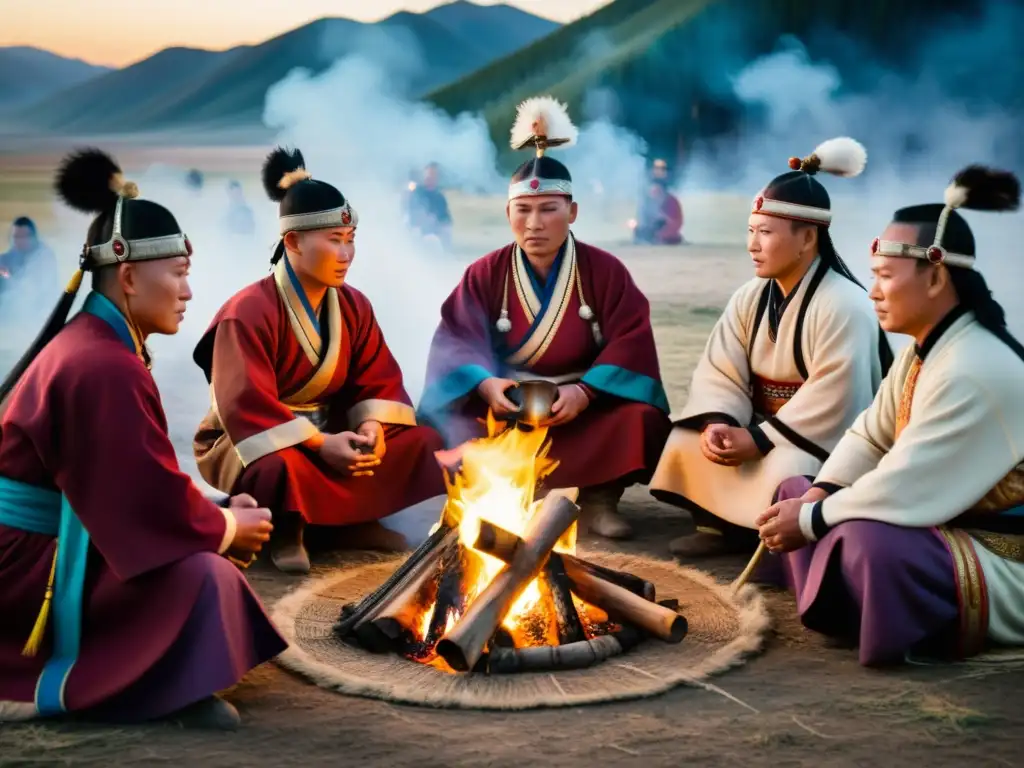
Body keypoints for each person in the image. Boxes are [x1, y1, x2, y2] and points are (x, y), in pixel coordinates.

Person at [0, 149, 286, 730]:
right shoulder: (103, 365)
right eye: (178, 274)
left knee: (203, 559)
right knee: (204, 578)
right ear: (128, 276)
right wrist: (230, 527)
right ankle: (149, 684)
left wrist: (214, 511)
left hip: (52, 534)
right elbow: (141, 500)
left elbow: (134, 480)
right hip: (30, 566)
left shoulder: (100, 345)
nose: (186, 291)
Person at [756, 165, 1024, 666]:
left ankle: (860, 607)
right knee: (796, 487)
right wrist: (818, 494)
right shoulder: (927, 348)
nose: (873, 291)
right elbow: (871, 435)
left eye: (883, 277)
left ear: (937, 275)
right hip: (933, 516)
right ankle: (841, 596)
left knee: (868, 542)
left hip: (999, 550)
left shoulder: (974, 367)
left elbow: (905, 484)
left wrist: (813, 519)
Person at [418, 96, 671, 540]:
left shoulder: (604, 271)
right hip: (510, 406)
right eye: (524, 210)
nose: (535, 223)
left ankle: (598, 499)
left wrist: (586, 392)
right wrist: (486, 385)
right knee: (446, 421)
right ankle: (494, 495)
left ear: (572, 212)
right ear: (508, 214)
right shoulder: (485, 273)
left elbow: (631, 341)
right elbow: (456, 340)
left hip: (583, 407)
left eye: (549, 209)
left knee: (639, 418)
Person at [193, 147, 446, 575]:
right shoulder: (248, 311)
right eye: (334, 241)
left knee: (422, 441)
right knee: (276, 467)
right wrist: (320, 444)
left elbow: (376, 379)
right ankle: (288, 530)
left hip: (332, 431)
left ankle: (354, 523)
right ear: (292, 242)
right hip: (256, 439)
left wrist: (370, 428)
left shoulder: (354, 305)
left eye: (350, 241)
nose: (346, 254)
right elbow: (243, 405)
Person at [650, 138, 892, 557]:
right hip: (763, 426)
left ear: (807, 239)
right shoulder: (751, 296)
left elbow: (838, 397)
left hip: (821, 439)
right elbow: (720, 370)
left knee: (791, 470)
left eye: (765, 233)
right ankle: (718, 527)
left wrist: (760, 440)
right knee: (688, 441)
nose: (752, 245)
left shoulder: (845, 305)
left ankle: (776, 544)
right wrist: (721, 423)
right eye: (750, 232)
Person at [0, 216, 60, 313]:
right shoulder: (8, 257)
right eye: (16, 237)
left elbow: (38, 289)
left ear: (33, 237)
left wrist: (9, 278)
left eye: (23, 237)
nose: (18, 241)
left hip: (38, 308)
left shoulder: (43, 256)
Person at [407, 162, 453, 247]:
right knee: (415, 234)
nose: (431, 177)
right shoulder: (416, 193)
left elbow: (445, 220)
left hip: (433, 232)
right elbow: (410, 214)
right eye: (429, 174)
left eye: (434, 175)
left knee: (436, 239)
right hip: (417, 229)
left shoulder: (439, 197)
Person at [632, 180, 683, 245]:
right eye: (652, 191)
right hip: (652, 230)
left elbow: (675, 222)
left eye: (656, 190)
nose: (653, 193)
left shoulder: (670, 201)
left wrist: (661, 235)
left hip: (666, 231)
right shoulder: (648, 202)